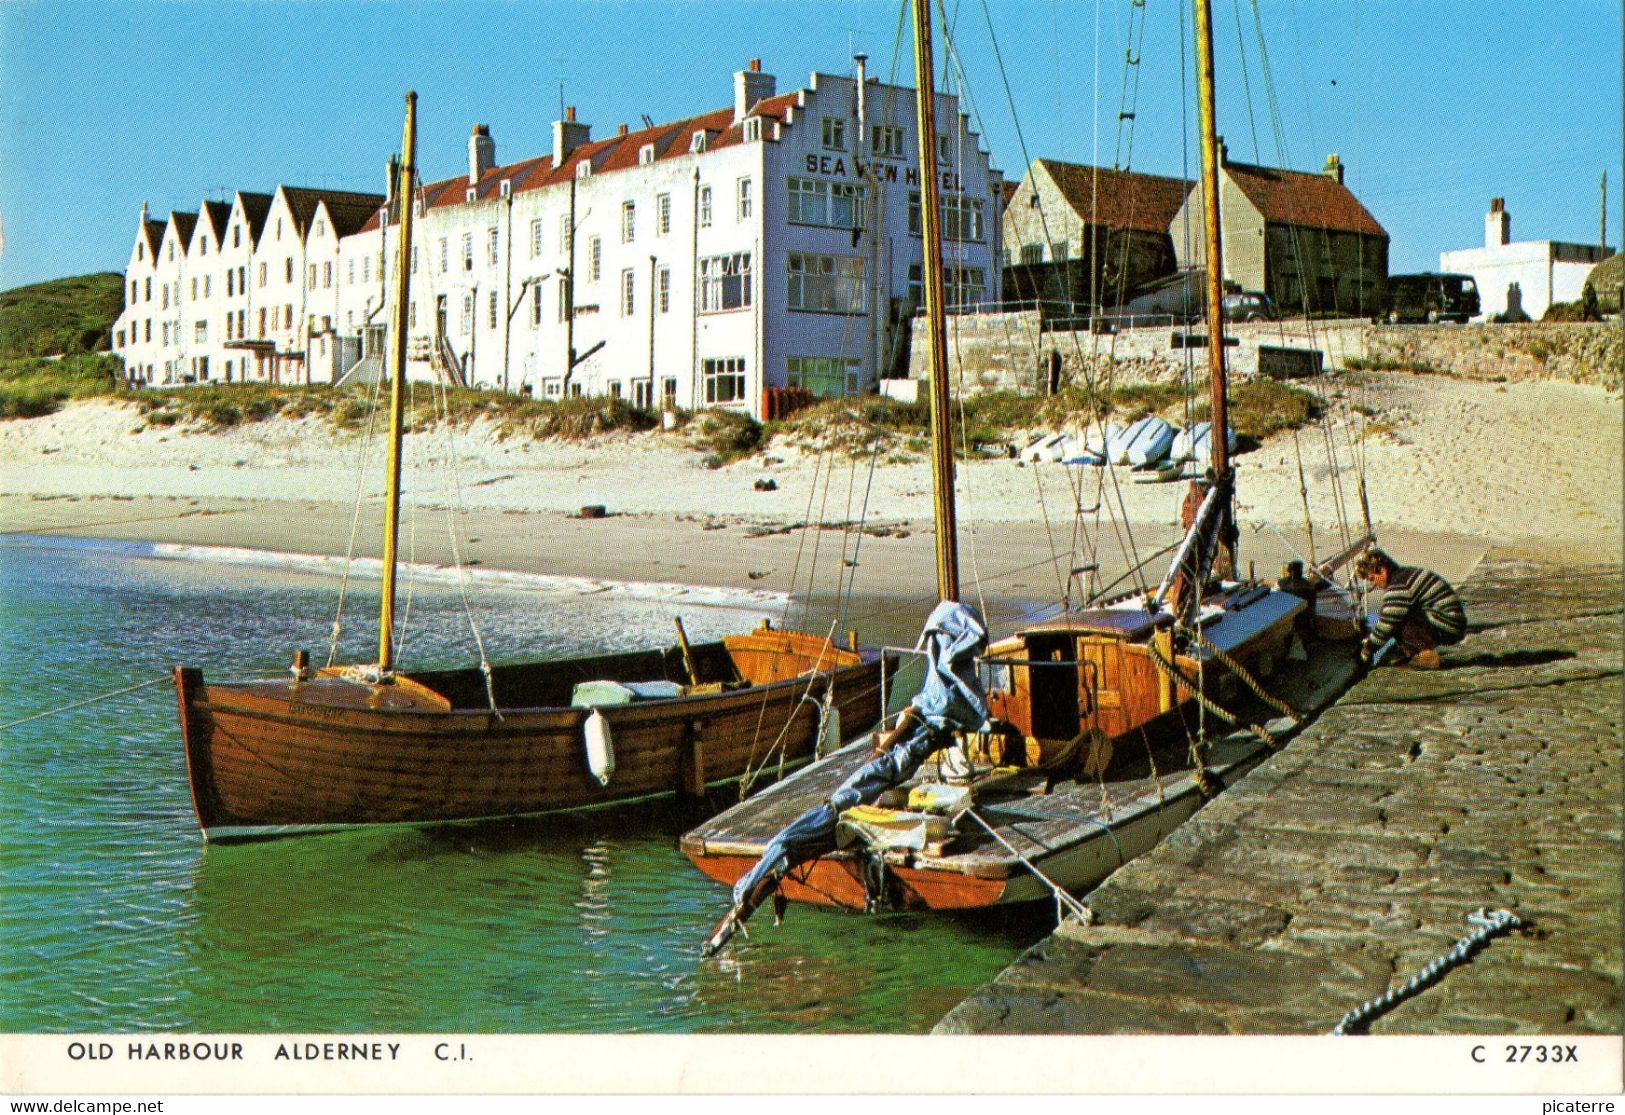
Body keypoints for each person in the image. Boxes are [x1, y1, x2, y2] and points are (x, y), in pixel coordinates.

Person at [1354, 547, 1466, 669]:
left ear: (1382, 570)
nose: (1373, 584)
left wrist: (1368, 649)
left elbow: (1387, 624)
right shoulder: (1405, 575)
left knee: (1397, 617)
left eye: (1372, 578)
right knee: (1391, 611)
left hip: (1448, 629)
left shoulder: (1399, 586)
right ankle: (1417, 652)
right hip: (1451, 623)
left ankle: (1426, 655)